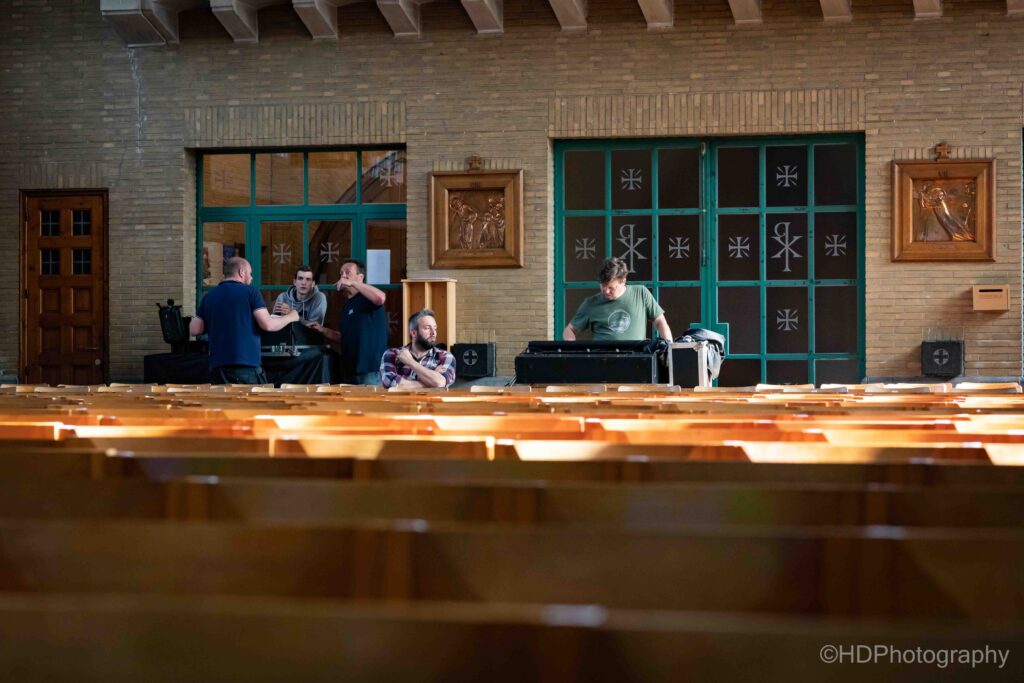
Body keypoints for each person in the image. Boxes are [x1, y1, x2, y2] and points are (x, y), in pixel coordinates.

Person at [188, 257, 298, 384]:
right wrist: (291, 316)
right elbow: (268, 325)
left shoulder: (209, 296)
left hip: (218, 368)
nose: (251, 278)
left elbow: (194, 329)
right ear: (241, 272)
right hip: (246, 367)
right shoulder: (250, 292)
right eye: (250, 274)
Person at [307, 258, 387, 385]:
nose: (343, 276)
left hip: (370, 371)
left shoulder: (368, 299)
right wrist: (322, 329)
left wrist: (352, 283)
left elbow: (380, 297)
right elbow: (343, 337)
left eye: (347, 272)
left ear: (360, 277)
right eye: (341, 273)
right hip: (349, 371)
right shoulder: (347, 306)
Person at [563, 257, 673, 341]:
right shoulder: (590, 303)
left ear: (623, 281)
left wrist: (669, 349)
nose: (606, 291)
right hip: (602, 360)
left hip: (637, 359)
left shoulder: (641, 293)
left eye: (611, 287)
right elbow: (569, 330)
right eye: (603, 286)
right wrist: (573, 352)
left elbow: (660, 321)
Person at [380, 309, 456, 389]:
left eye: (435, 328)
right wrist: (432, 379)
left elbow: (440, 382)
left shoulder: (445, 356)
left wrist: (410, 362)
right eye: (427, 328)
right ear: (413, 333)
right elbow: (389, 382)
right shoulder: (392, 354)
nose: (433, 333)